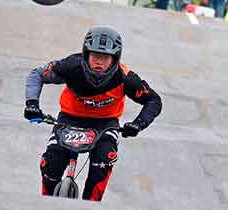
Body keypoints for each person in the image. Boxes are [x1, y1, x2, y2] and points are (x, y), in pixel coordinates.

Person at [24, 26, 162, 201]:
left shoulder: (125, 77)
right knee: (50, 165)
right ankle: (46, 204)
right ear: (86, 54)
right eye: (95, 56)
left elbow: (153, 100)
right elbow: (37, 74)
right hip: (69, 119)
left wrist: (138, 124)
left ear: (115, 59)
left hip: (105, 123)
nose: (99, 62)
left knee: (104, 162)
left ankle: (91, 208)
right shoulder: (71, 66)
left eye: (105, 58)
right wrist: (32, 105)